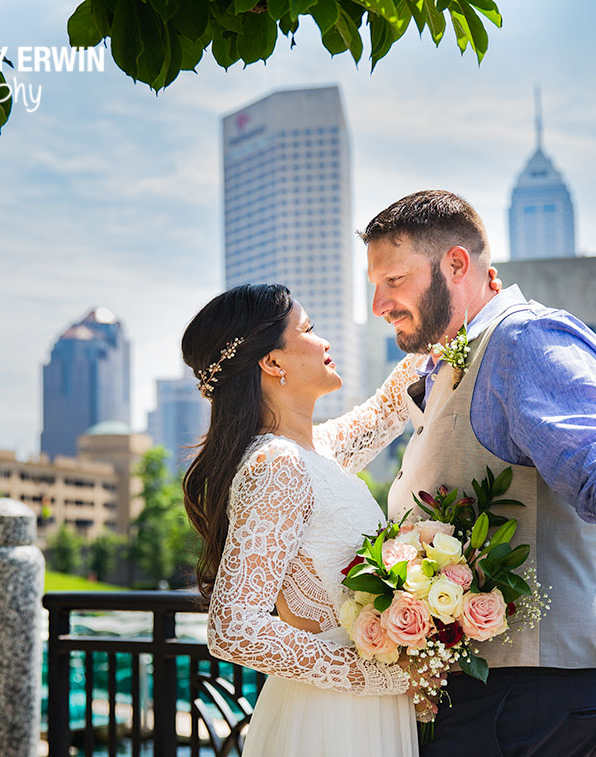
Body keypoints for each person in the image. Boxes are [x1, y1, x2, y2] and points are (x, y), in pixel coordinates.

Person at [362, 189, 596, 757]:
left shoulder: (524, 339)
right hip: (482, 696)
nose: (378, 302)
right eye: (374, 285)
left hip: (525, 700)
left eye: (394, 280)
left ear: (456, 264)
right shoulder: (448, 361)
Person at [181, 277, 500, 757]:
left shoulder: (317, 451)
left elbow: (390, 405)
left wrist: (466, 298)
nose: (324, 340)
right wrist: (374, 672)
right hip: (329, 719)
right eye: (308, 329)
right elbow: (234, 628)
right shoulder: (278, 467)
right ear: (272, 362)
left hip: (362, 708)